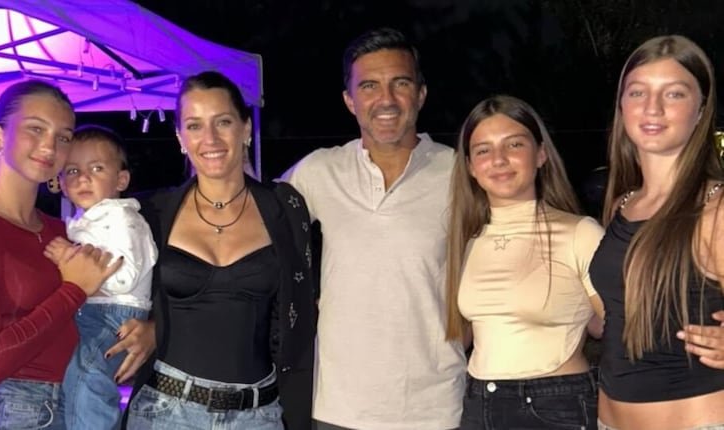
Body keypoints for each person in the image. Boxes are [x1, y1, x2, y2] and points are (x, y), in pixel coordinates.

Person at [282, 27, 466, 430]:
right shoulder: (320, 170)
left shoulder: (459, 173)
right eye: (369, 86)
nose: (386, 99)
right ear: (350, 101)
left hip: (436, 408)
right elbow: (253, 222)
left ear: (421, 94)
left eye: (400, 83)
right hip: (338, 408)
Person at [121, 70, 316, 430]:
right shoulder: (152, 214)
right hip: (166, 412)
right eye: (194, 126)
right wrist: (154, 327)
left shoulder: (285, 207)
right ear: (180, 137)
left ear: (246, 129)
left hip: (258, 415)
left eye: (223, 122)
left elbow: (302, 309)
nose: (209, 138)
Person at [0, 80, 121, 429]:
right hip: (19, 412)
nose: (50, 146)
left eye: (63, 137)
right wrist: (73, 290)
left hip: (83, 403)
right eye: (36, 128)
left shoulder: (62, 230)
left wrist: (146, 331)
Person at [444, 95, 605, 429]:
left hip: (555, 406)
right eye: (483, 150)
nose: (499, 160)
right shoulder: (467, 241)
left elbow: (623, 328)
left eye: (514, 144)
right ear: (470, 167)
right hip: (477, 403)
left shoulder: (580, 233)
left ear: (541, 154)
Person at [589, 35, 724, 430]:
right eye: (638, 92)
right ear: (622, 105)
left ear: (701, 110)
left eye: (674, 93)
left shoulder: (715, 207)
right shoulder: (623, 204)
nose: (652, 107)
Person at [44, 125, 158, 430]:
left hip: (116, 315)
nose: (83, 178)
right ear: (61, 183)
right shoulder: (83, 221)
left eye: (96, 168)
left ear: (121, 180)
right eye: (72, 171)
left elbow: (125, 277)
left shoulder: (123, 219)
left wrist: (72, 262)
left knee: (88, 377)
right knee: (73, 384)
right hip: (92, 312)